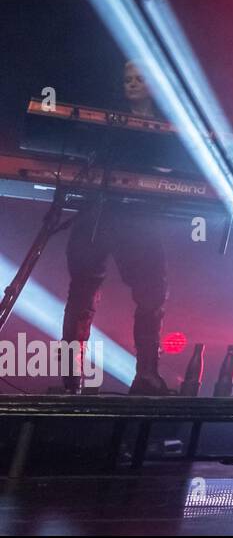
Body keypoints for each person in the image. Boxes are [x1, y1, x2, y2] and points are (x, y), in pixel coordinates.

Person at [61, 60, 170, 396]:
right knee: (82, 291)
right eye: (127, 79)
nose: (132, 84)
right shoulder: (107, 119)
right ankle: (70, 377)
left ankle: (147, 375)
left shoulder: (169, 125)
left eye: (139, 79)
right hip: (98, 210)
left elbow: (173, 169)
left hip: (140, 216)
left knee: (152, 292)